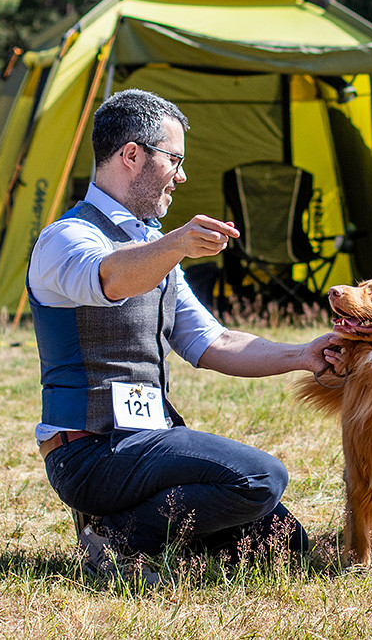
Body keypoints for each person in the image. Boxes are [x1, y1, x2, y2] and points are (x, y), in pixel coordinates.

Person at [27, 88, 340, 584]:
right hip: (89, 454)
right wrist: (176, 243)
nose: (182, 175)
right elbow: (110, 279)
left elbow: (213, 342)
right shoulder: (66, 238)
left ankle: (132, 533)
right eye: (175, 159)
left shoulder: (152, 243)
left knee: (286, 546)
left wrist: (305, 354)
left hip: (147, 443)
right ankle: (121, 538)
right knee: (263, 477)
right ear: (132, 155)